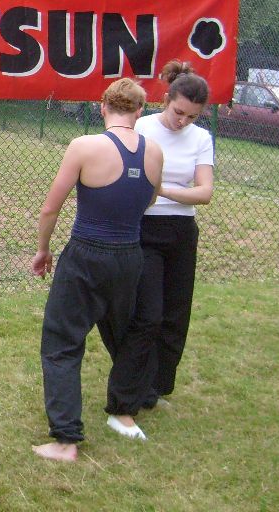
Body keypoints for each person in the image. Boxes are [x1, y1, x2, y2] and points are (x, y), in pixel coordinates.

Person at [31, 78, 163, 462]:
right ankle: (125, 411)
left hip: (87, 254)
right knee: (125, 333)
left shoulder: (84, 146)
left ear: (103, 106)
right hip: (130, 256)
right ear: (140, 111)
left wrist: (43, 250)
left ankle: (65, 441)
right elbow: (149, 199)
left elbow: (50, 208)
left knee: (62, 342)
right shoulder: (154, 151)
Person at [104, 60, 214, 437]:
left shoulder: (201, 139)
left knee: (175, 314)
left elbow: (205, 192)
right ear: (165, 99)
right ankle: (126, 396)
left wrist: (160, 188)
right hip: (144, 228)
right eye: (178, 111)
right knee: (147, 315)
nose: (183, 121)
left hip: (181, 230)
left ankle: (155, 387)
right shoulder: (143, 128)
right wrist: (157, 193)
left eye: (192, 116)